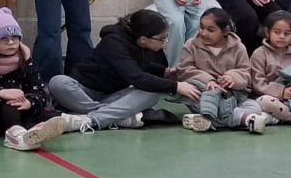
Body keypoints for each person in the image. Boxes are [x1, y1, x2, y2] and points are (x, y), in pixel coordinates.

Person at [49, 8, 194, 130]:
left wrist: (164, 73)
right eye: (162, 38)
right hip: (84, 92)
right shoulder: (114, 42)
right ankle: (115, 117)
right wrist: (176, 86)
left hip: (112, 95)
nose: (166, 42)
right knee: (58, 82)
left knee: (151, 94)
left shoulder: (142, 44)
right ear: (143, 39)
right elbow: (135, 76)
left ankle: (90, 119)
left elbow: (136, 64)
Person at [0, 8, 73, 149]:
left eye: (14, 37)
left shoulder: (25, 60)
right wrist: (0, 92)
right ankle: (17, 136)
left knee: (41, 112)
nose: (11, 42)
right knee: (9, 105)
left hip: (22, 110)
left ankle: (46, 128)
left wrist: (29, 102)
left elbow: (39, 91)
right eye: (3, 38)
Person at [173, 8, 266, 134]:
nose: (203, 33)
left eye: (210, 30)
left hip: (230, 94)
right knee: (205, 101)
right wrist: (208, 81)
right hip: (203, 92)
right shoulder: (191, 45)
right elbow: (185, 70)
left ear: (225, 31)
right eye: (201, 27)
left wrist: (232, 77)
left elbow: (245, 73)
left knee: (255, 108)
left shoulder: (238, 47)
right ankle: (243, 119)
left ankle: (207, 120)